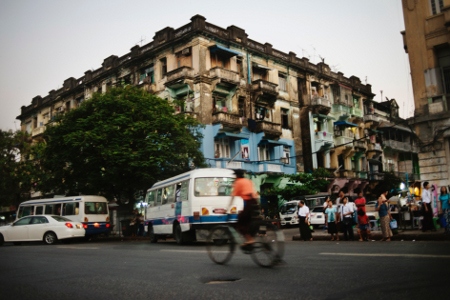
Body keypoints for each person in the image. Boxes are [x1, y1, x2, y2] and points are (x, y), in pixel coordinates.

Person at [228, 169, 259, 247]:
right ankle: (249, 237)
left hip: (249, 203)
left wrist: (227, 208)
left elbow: (233, 196)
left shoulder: (238, 182)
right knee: (247, 220)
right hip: (254, 202)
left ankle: (249, 239)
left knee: (239, 222)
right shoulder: (248, 181)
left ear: (237, 175)